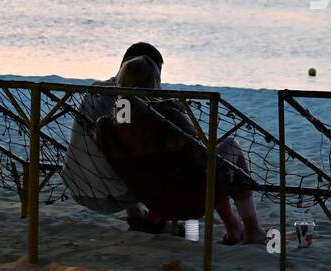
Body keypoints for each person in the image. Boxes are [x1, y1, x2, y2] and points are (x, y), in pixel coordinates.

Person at [95, 55, 267, 245]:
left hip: (153, 200)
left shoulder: (109, 128)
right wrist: (176, 109)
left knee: (212, 166)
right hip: (190, 199)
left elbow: (128, 117)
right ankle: (253, 230)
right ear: (154, 85)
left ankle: (234, 228)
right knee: (229, 148)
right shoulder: (166, 115)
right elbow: (202, 155)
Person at [62, 42, 165, 229]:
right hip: (108, 194)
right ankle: (154, 222)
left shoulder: (96, 90)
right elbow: (126, 140)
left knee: (117, 156)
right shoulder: (125, 102)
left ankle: (135, 214)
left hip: (76, 182)